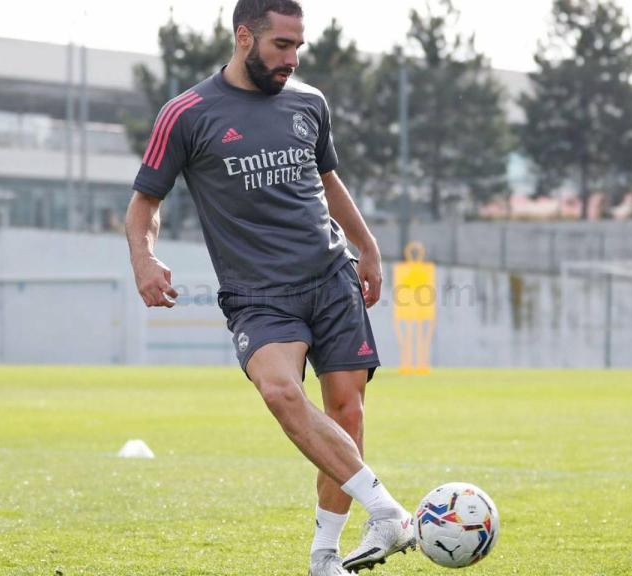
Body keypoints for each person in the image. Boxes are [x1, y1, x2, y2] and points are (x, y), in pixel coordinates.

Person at [125, 1, 414, 573]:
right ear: (244, 38)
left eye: (298, 46)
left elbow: (329, 182)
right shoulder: (186, 113)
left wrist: (371, 248)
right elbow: (144, 204)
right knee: (281, 392)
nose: (292, 57)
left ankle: (324, 558)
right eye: (282, 45)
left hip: (331, 278)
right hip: (258, 294)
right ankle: (385, 511)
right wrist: (144, 257)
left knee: (347, 413)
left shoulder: (310, 103)